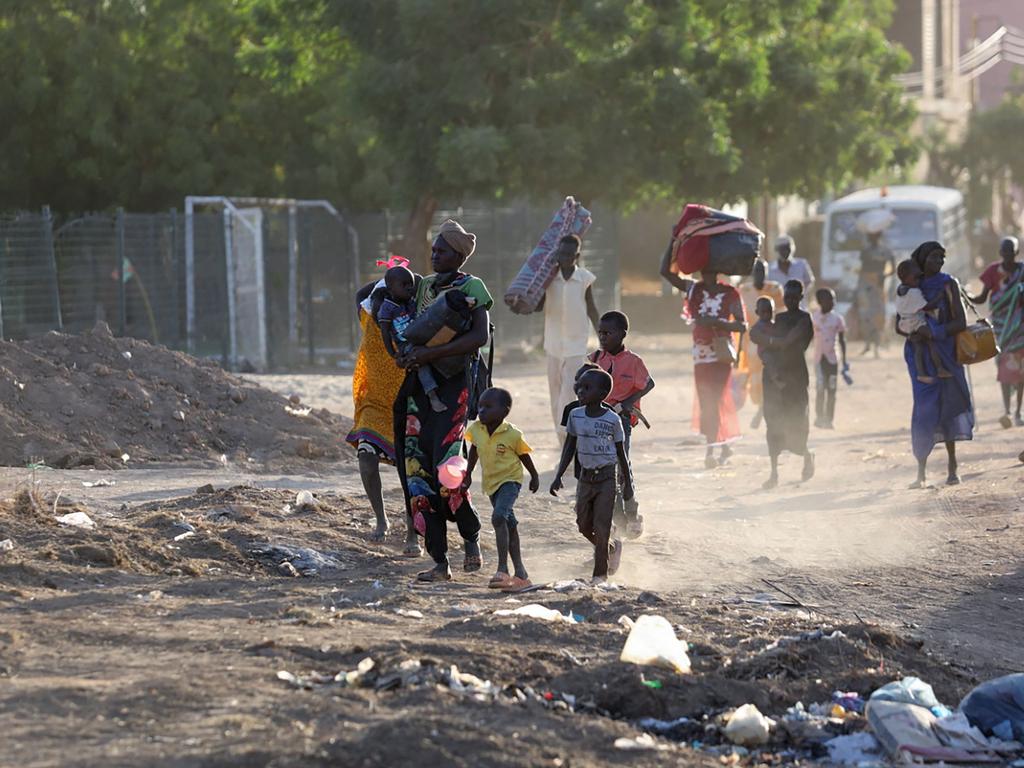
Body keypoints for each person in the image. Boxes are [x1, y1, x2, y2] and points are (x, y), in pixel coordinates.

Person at [393, 219, 492, 582]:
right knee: (417, 472)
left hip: (454, 387)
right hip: (420, 389)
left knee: (448, 471)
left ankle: (471, 537)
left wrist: (430, 356)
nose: (435, 255)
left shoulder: (472, 287)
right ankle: (439, 561)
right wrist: (406, 355)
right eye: (433, 250)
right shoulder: (424, 288)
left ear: (459, 255)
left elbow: (479, 336)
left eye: (442, 251)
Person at [348, 272, 419, 551]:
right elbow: (360, 294)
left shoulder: (410, 321)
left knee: (409, 472)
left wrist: (405, 276)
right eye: (381, 300)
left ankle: (414, 531)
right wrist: (388, 276)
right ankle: (381, 519)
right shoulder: (367, 315)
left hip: (408, 402)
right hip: (374, 403)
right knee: (365, 457)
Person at [660, 247, 747, 468]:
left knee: (715, 398)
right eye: (702, 269)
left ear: (717, 270)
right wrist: (674, 241)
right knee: (707, 399)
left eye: (709, 269)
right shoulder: (693, 290)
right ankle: (722, 445)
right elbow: (666, 273)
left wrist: (718, 323)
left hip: (721, 352)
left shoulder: (730, 293)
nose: (705, 273)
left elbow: (741, 324)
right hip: (701, 354)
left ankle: (712, 450)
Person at [896, 241, 973, 488]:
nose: (939, 262)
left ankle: (952, 467)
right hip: (921, 360)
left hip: (946, 353)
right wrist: (913, 333)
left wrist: (935, 332)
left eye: (942, 257)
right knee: (924, 410)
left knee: (949, 408)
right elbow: (898, 322)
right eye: (934, 257)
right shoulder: (908, 288)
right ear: (921, 260)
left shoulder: (949, 283)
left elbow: (960, 322)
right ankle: (921, 472)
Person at [550, 368, 634, 584]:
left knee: (601, 525)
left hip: (607, 477)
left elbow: (621, 453)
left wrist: (627, 484)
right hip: (585, 478)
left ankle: (600, 576)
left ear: (603, 392)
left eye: (587, 388)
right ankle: (609, 547)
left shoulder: (612, 419)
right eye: (579, 387)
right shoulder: (575, 415)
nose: (580, 391)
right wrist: (558, 475)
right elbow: (569, 446)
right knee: (583, 523)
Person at [464, 387, 539, 593]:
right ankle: (522, 574)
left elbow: (524, 455)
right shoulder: (477, 429)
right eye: (480, 406)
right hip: (491, 484)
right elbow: (475, 450)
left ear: (504, 411)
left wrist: (534, 475)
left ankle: (502, 569)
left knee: (498, 518)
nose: (481, 411)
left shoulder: (513, 434)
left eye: (488, 407)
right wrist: (468, 474)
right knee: (509, 524)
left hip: (510, 481)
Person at [589, 311, 654, 537]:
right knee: (605, 468)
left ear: (622, 334)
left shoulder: (634, 362)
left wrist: (627, 403)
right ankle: (617, 517)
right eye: (600, 333)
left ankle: (632, 512)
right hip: (597, 421)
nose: (603, 337)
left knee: (622, 465)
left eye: (608, 333)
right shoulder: (595, 359)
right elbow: (584, 385)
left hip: (621, 421)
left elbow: (649, 383)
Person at [749, 279, 815, 489]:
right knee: (774, 422)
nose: (791, 300)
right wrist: (771, 344)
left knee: (797, 422)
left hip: (796, 377)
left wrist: (772, 342)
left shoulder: (805, 319)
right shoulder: (780, 318)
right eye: (788, 297)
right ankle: (774, 473)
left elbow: (786, 340)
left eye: (795, 297)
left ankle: (806, 455)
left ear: (801, 298)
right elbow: (757, 335)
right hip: (774, 378)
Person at [537, 234, 601, 439]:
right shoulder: (548, 278)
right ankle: (560, 436)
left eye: (569, 254)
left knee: (569, 390)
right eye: (561, 253)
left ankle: (566, 433)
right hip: (553, 343)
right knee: (554, 391)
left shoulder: (584, 279)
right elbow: (537, 306)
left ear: (577, 255)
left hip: (576, 343)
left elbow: (591, 308)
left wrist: (603, 336)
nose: (564, 257)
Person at [969, 236, 1024, 427]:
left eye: (1011, 252)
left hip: (1020, 326)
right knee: (1005, 366)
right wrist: (965, 296)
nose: (1008, 256)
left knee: (1020, 369)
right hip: (1001, 327)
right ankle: (1007, 411)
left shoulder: (1022, 270)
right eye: (1005, 252)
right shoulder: (993, 271)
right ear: (1000, 253)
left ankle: (1017, 412)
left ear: (1016, 253)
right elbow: (982, 298)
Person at [377, 265, 447, 413]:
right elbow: (385, 332)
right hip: (405, 344)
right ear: (390, 287)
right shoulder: (387, 308)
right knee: (419, 361)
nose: (409, 288)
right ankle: (432, 394)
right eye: (404, 285)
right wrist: (393, 353)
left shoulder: (411, 302)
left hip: (421, 337)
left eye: (411, 285)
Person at [739, 259, 784, 428]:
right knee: (755, 381)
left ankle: (762, 412)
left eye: (763, 271)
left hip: (770, 341)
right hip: (750, 343)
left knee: (770, 376)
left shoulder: (774, 289)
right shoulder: (744, 290)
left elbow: (781, 315)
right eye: (757, 271)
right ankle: (761, 408)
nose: (760, 274)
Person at [895, 260, 950, 384]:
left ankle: (921, 373)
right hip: (916, 322)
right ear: (907, 277)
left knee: (919, 347)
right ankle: (940, 368)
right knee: (931, 340)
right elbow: (927, 307)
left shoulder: (900, 290)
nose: (919, 281)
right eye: (916, 278)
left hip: (904, 323)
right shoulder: (914, 292)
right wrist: (940, 296)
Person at [811, 288, 848, 429]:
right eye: (829, 300)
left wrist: (844, 361)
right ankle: (819, 417)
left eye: (834, 299)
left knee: (831, 389)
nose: (833, 302)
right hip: (819, 359)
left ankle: (829, 419)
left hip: (832, 359)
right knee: (820, 388)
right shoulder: (814, 318)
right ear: (820, 302)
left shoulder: (837, 319)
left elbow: (842, 340)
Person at [856, 231, 895, 358]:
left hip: (879, 285)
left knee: (879, 315)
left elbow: (893, 269)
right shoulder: (865, 251)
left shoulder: (886, 251)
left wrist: (884, 276)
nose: (871, 238)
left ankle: (877, 346)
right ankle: (868, 344)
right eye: (869, 236)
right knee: (865, 315)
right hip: (866, 284)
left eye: (873, 236)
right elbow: (862, 268)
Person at [768, 235, 814, 307]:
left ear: (792, 249)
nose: (785, 252)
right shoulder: (769, 269)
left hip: (800, 308)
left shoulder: (801, 264)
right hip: (779, 309)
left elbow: (809, 281)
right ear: (777, 250)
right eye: (782, 249)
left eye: (787, 248)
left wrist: (797, 294)